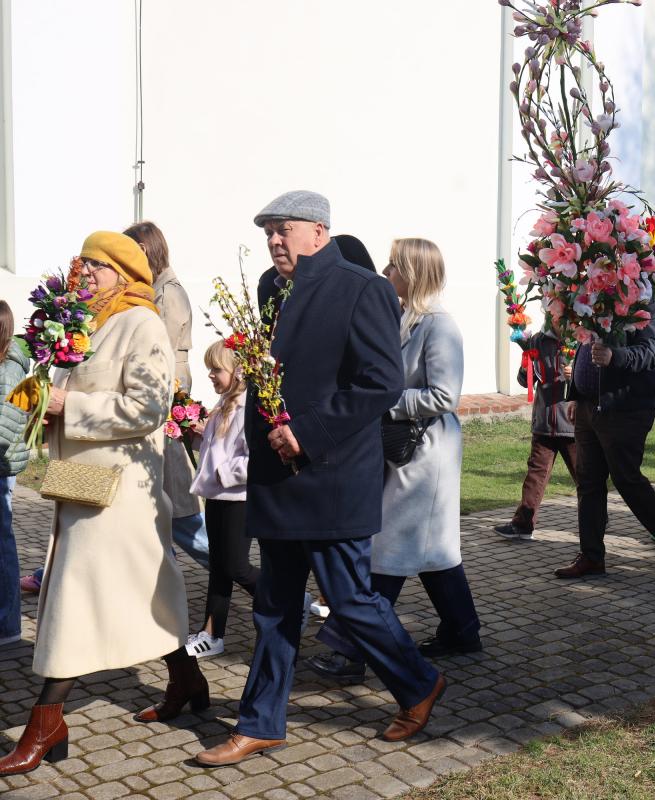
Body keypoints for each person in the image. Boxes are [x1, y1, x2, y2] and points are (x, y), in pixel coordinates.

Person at [195, 192, 442, 767]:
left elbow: (380, 382)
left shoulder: (364, 289)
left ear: (319, 232)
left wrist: (307, 434)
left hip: (331, 475)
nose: (274, 241)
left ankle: (419, 682)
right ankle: (259, 723)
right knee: (274, 606)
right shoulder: (269, 288)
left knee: (351, 599)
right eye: (268, 232)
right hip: (277, 478)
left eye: (284, 229)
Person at [0, 233, 206, 776]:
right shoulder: (84, 324)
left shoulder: (143, 323)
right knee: (143, 590)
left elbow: (148, 408)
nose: (85, 272)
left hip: (120, 493)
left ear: (124, 270)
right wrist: (42, 403)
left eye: (96, 264)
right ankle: (187, 678)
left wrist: (68, 404)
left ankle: (45, 723)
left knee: (74, 595)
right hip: (80, 482)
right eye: (83, 263)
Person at [306, 236, 482, 687]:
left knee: (388, 550)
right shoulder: (407, 318)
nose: (386, 272)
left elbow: (445, 396)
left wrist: (385, 400)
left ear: (413, 273)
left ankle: (351, 649)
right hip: (407, 449)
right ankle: (462, 630)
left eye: (394, 266)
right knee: (432, 549)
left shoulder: (439, 326)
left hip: (426, 453)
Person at [554, 294, 655, 578]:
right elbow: (586, 346)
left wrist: (614, 356)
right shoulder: (601, 295)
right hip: (588, 406)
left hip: (625, 408)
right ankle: (591, 556)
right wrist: (576, 395)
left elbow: (651, 353)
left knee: (625, 477)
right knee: (588, 481)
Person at [124, 221, 208, 570]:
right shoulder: (155, 289)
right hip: (161, 396)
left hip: (166, 397)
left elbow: (161, 352)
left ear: (143, 250)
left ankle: (251, 579)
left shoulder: (168, 293)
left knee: (180, 513)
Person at [184, 340, 256, 659]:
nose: (210, 375)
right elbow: (219, 451)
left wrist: (223, 473)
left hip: (238, 498)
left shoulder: (247, 406)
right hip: (217, 495)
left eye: (216, 369)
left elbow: (255, 458)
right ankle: (212, 634)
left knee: (236, 566)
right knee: (219, 567)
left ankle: (290, 603)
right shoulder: (226, 403)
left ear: (237, 370)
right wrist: (196, 434)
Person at [494, 327, 577, 540]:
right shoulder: (538, 340)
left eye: (556, 311)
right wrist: (526, 367)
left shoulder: (582, 337)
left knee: (585, 476)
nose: (553, 315)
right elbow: (525, 381)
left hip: (573, 425)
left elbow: (595, 376)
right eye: (550, 311)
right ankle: (523, 525)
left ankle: (597, 517)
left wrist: (575, 374)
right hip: (544, 422)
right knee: (535, 475)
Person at [0, 301, 29, 649]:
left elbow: (4, 429)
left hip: (1, 466)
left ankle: (7, 625)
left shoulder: (8, 370)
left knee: (2, 546)